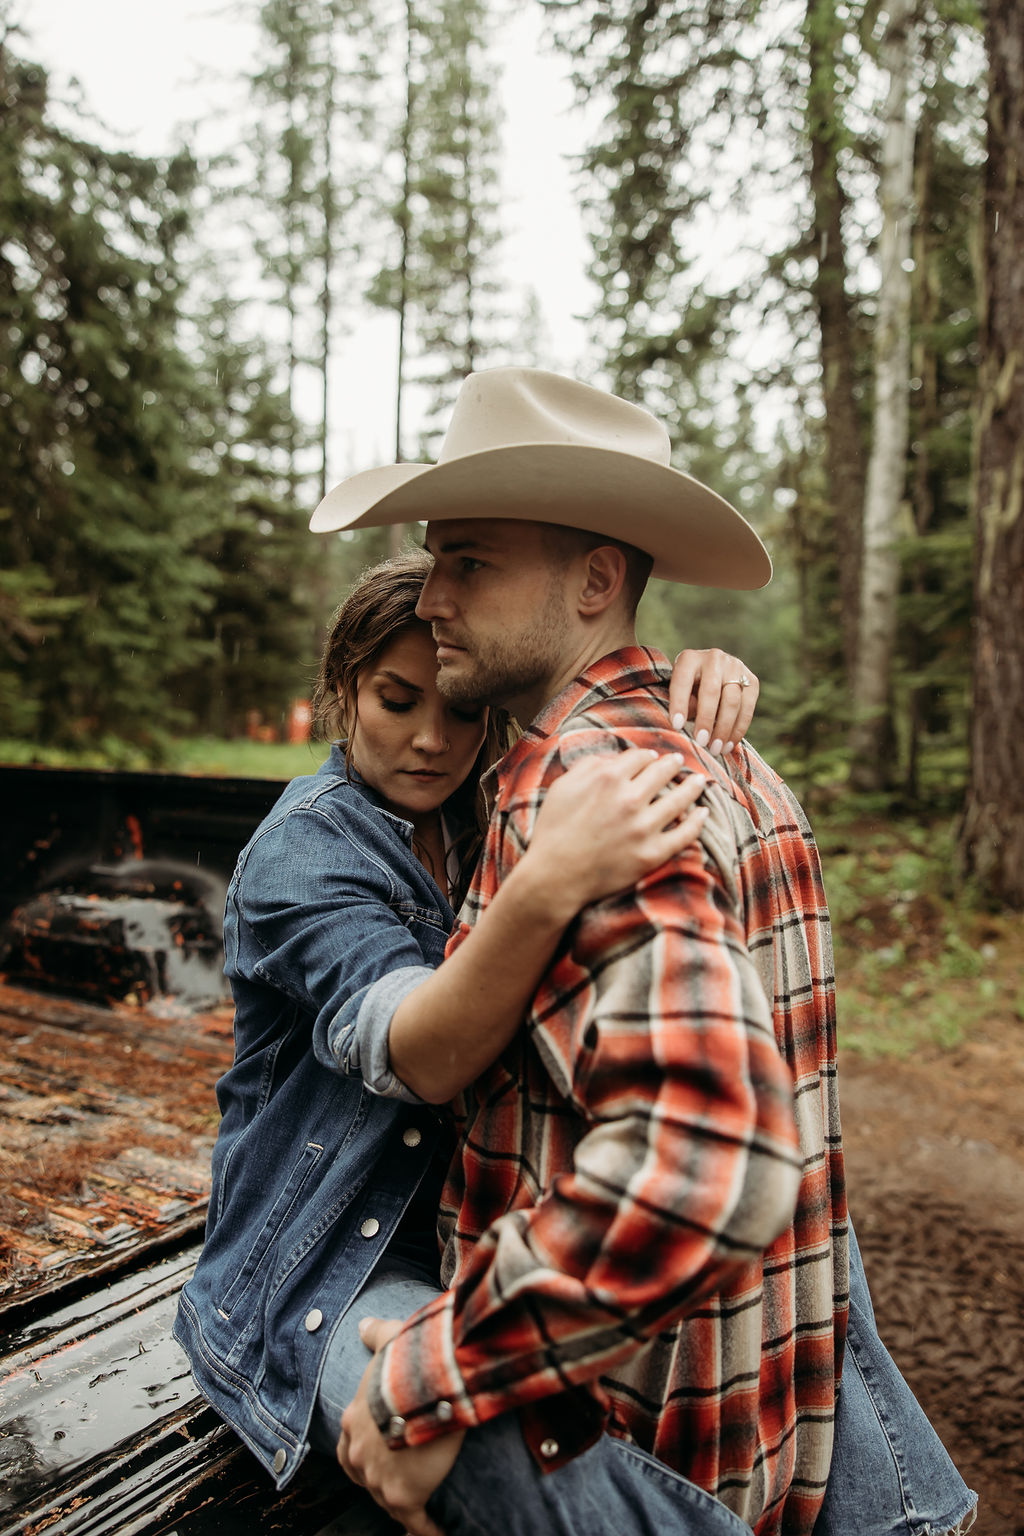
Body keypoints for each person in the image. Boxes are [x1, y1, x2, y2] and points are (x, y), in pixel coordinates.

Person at [309, 368, 978, 1536]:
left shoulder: (576, 788)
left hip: (624, 1458)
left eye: (468, 562)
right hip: (758, 1453)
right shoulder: (744, 771)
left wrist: (429, 1380)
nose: (432, 602)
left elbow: (706, 1160)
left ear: (596, 580)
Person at [173, 546, 759, 1495]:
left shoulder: (491, 803)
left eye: (460, 711)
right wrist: (552, 880)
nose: (432, 741)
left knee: (765, 1251)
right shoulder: (304, 850)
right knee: (512, 1457)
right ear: (343, 691)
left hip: (480, 1239)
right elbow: (419, 1054)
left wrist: (692, 684)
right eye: (395, 702)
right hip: (320, 1274)